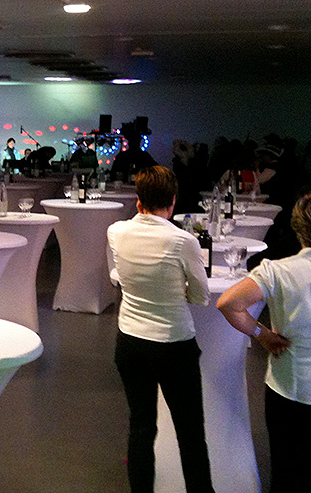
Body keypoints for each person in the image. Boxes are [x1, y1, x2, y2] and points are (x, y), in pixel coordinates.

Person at [217, 192, 311, 492]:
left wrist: (263, 335)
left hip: (291, 388)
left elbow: (228, 303)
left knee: (288, 474)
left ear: (298, 230)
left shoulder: (277, 271)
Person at [107, 166, 215, 493]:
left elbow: (119, 276)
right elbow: (201, 296)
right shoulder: (183, 241)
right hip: (173, 344)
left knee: (141, 427)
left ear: (139, 200)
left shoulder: (116, 232)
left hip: (130, 342)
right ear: (173, 201)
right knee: (190, 432)